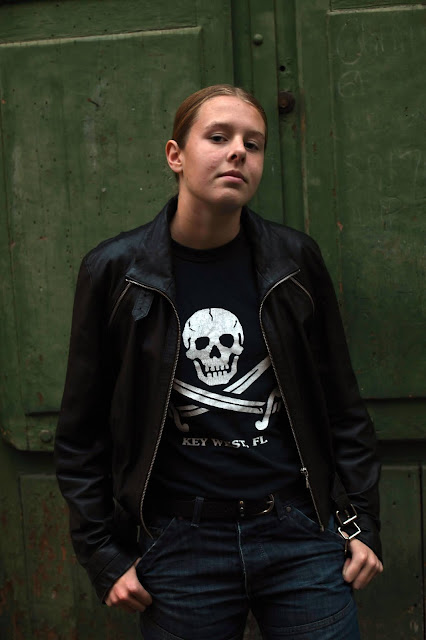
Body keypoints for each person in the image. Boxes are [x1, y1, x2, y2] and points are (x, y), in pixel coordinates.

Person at [55, 84, 383, 639]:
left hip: (299, 536)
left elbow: (342, 405)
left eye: (253, 144)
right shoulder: (115, 272)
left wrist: (363, 524)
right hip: (179, 544)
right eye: (218, 137)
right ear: (175, 155)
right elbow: (80, 434)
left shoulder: (294, 261)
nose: (238, 152)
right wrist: (103, 555)